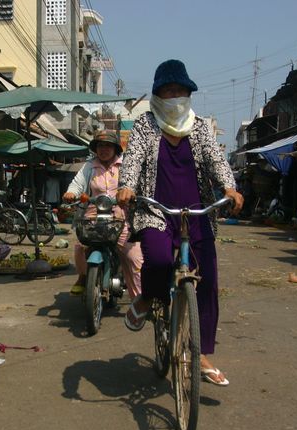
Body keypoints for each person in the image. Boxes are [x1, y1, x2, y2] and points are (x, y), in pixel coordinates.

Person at [116, 59, 244, 386]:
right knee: (158, 260)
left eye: (180, 90)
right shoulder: (146, 124)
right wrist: (127, 185)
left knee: (208, 279)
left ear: (189, 93)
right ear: (158, 94)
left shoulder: (199, 126)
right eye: (169, 90)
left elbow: (216, 159)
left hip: (196, 212)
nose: (175, 96)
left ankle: (201, 353)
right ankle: (148, 297)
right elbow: (133, 159)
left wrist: (229, 186)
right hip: (156, 209)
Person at [62, 130, 143, 299]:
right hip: (92, 218)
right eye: (100, 146)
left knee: (134, 257)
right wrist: (71, 193)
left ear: (115, 149)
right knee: (79, 247)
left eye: (108, 146)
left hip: (121, 219)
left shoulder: (126, 165)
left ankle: (140, 299)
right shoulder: (89, 166)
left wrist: (132, 195)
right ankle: (84, 277)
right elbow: (77, 184)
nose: (103, 149)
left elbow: (136, 184)